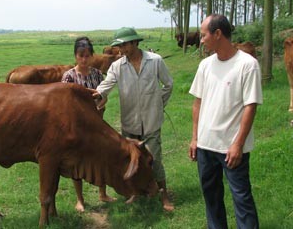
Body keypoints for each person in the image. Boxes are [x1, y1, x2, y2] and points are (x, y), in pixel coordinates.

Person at [188, 14, 262, 229]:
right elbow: (197, 103)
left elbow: (251, 106)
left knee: (241, 197)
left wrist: (238, 144)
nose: (201, 40)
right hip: (205, 146)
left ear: (218, 34)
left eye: (203, 35)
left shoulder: (247, 65)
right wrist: (195, 138)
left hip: (231, 148)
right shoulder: (205, 65)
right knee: (211, 197)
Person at [92, 27, 174, 211]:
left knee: (155, 159)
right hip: (130, 122)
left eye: (125, 44)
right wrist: (95, 93)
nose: (121, 49)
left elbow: (168, 84)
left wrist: (159, 105)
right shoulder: (117, 66)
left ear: (135, 42)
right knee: (132, 161)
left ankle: (164, 195)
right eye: (119, 45)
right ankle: (136, 193)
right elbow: (106, 84)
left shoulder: (155, 61)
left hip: (152, 120)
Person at [61, 36, 116, 212]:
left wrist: (101, 103)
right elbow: (64, 104)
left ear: (92, 56)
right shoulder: (68, 77)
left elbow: (103, 96)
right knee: (77, 162)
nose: (84, 59)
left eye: (87, 56)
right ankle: (80, 199)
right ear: (75, 56)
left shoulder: (97, 74)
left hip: (97, 125)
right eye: (80, 55)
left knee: (101, 158)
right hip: (77, 127)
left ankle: (102, 193)